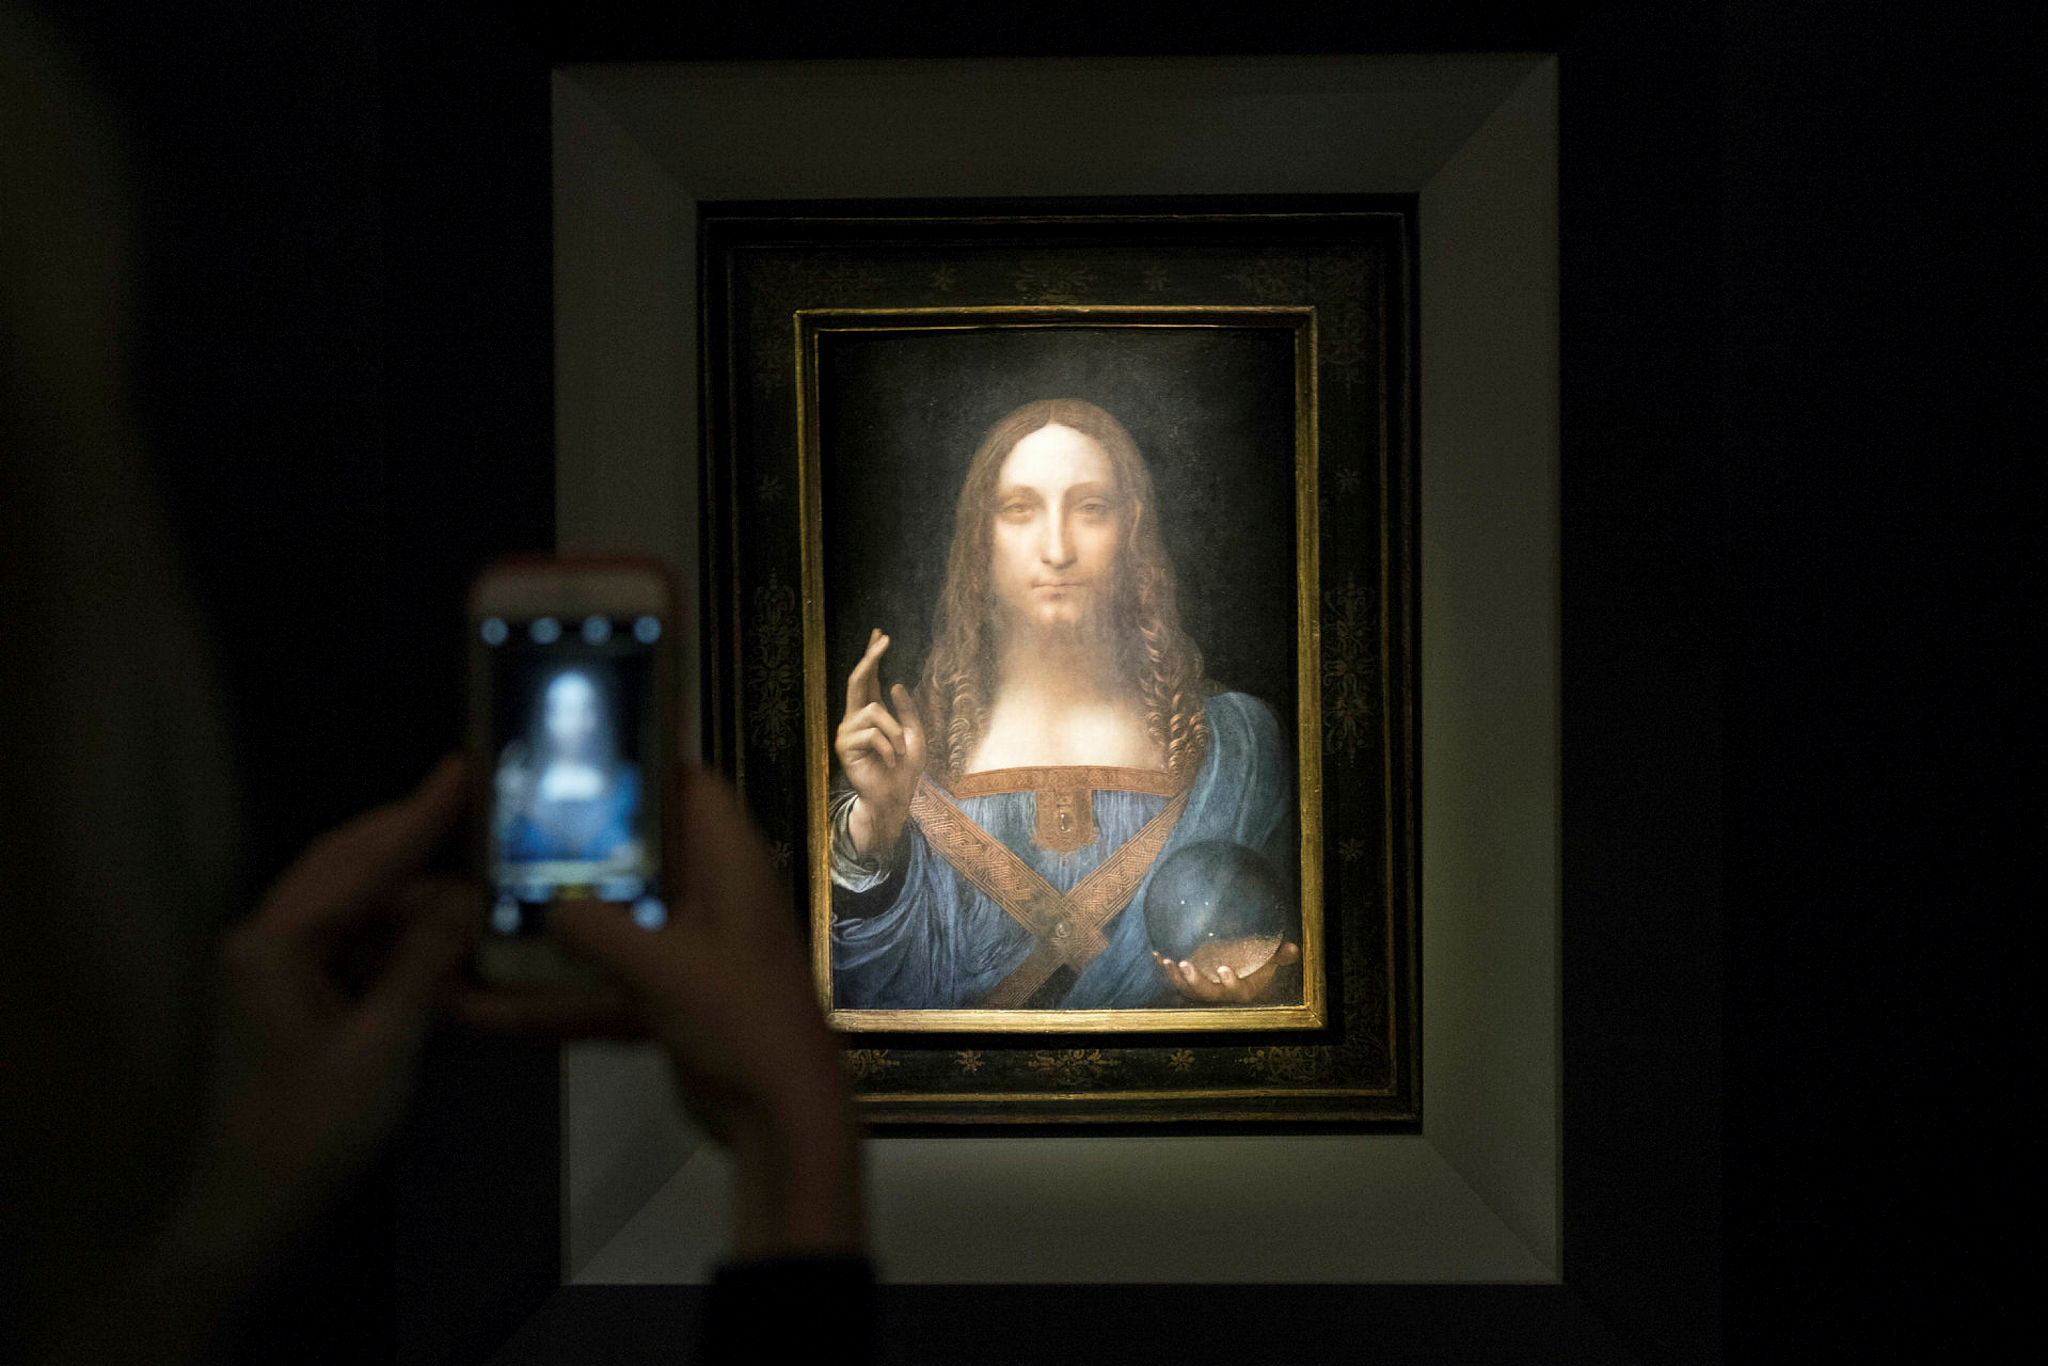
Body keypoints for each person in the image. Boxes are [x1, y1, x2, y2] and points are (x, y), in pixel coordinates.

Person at [828, 398, 1301, 1010]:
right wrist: (877, 823)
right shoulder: (905, 751)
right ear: (980, 540)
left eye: (1091, 508)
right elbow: (861, 991)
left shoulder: (1240, 745)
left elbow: (1291, 960)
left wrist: (1263, 986)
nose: (1057, 549)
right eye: (1019, 509)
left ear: (1132, 535)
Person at [496, 667, 642, 865]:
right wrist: (504, 815)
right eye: (564, 711)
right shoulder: (521, 785)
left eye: (585, 710)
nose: (576, 723)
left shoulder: (625, 783)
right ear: (546, 717)